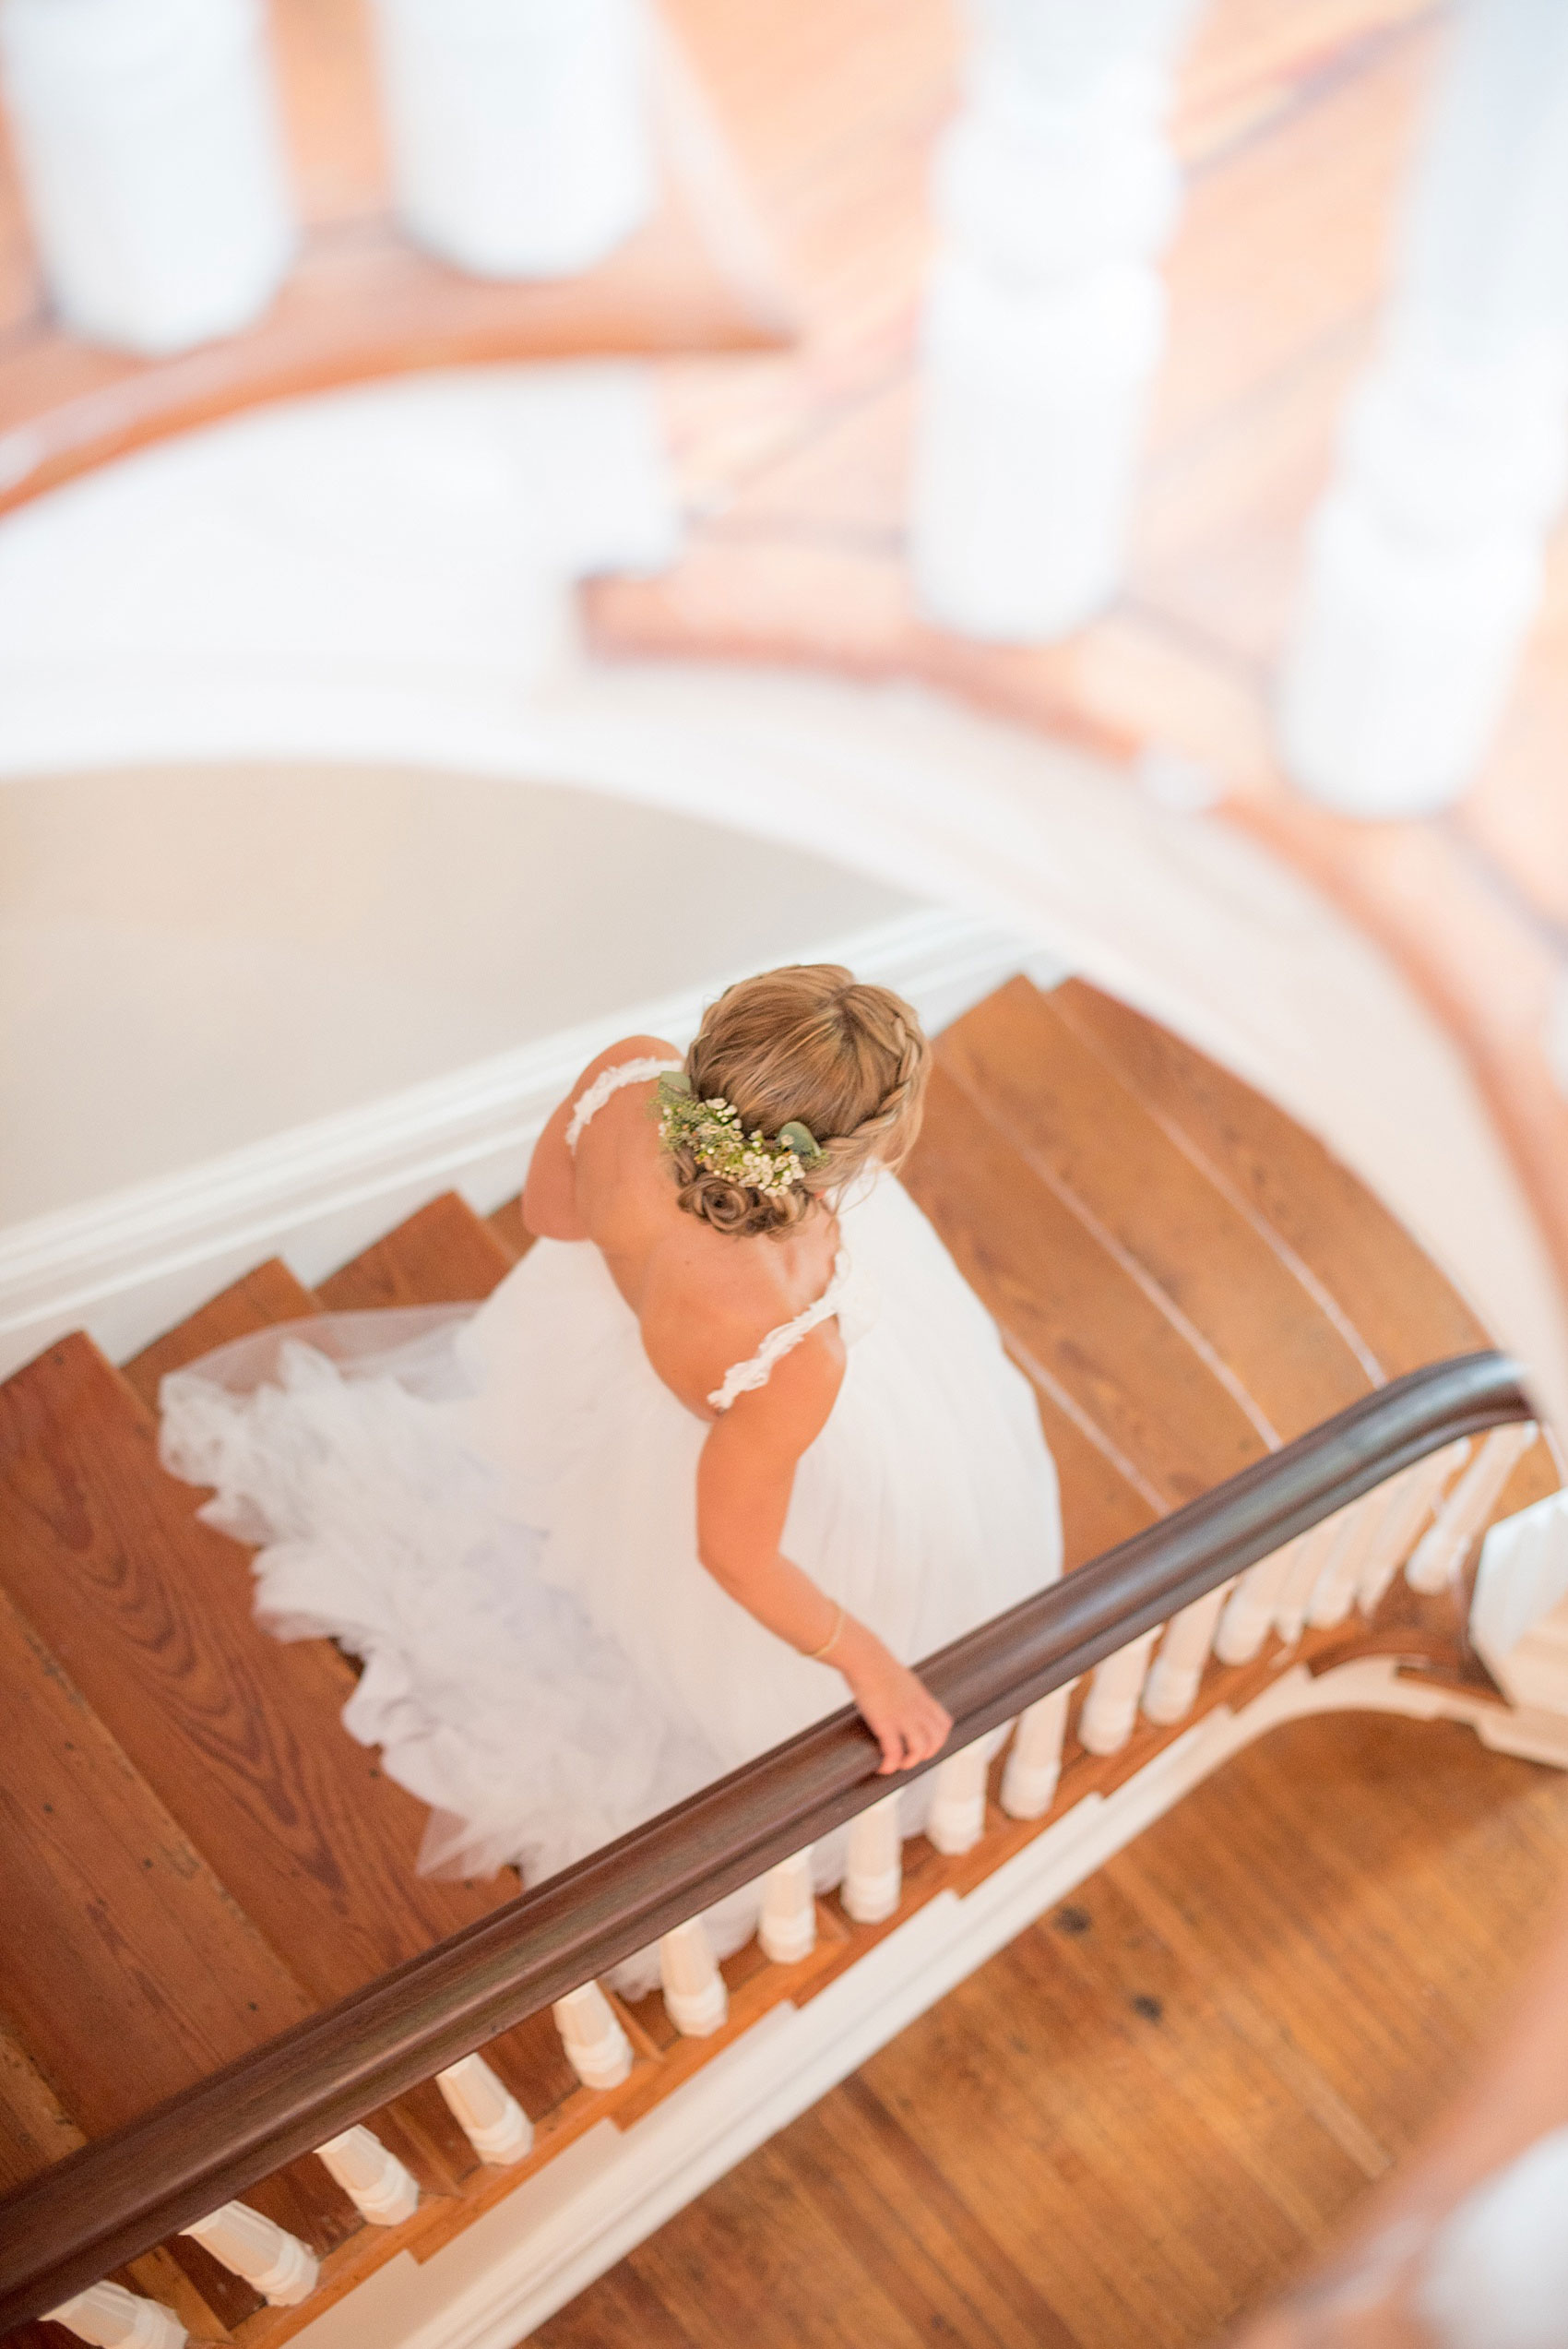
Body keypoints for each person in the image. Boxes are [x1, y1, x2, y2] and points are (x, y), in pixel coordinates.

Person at [160, 965, 1063, 1977]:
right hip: (710, 1433)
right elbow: (731, 1552)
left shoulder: (625, 1072)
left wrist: (654, 1256)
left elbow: (551, 1215)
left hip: (599, 1359)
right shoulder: (800, 1346)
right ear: (865, 1152)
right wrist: (869, 1662)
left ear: (716, 1042)